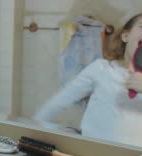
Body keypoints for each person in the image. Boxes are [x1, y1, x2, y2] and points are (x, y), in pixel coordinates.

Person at [34, 13, 142, 147]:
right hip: (93, 152)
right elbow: (62, 100)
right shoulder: (101, 69)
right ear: (125, 36)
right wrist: (36, 127)